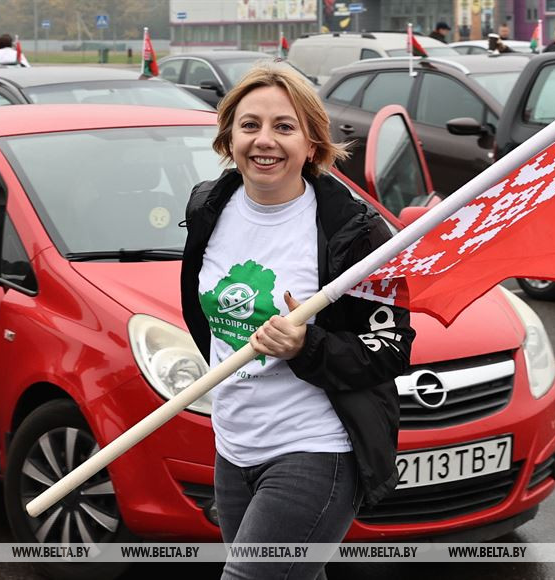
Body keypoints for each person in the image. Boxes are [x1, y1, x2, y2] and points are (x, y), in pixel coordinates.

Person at [180, 62, 415, 580]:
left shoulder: (357, 233)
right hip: (234, 446)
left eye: (284, 127)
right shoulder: (209, 208)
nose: (264, 140)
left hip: (316, 449)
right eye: (250, 125)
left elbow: (391, 348)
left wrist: (306, 345)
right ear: (228, 138)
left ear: (312, 144)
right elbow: (207, 319)